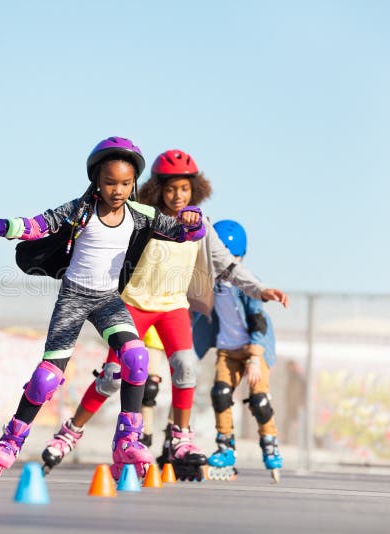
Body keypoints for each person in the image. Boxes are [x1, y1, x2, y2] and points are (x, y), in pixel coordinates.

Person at [40, 149, 288, 481]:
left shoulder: (202, 226)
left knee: (186, 366)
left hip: (173, 309)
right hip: (134, 305)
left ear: (195, 190)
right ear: (158, 189)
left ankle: (180, 437)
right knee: (113, 376)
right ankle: (71, 431)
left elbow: (227, 264)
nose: (177, 196)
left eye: (184, 189)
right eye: (170, 189)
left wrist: (259, 289)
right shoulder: (142, 216)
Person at [0, 137, 206, 480]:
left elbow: (183, 233)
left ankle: (127, 438)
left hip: (108, 299)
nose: (118, 190)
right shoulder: (79, 211)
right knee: (47, 378)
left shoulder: (139, 214)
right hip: (74, 298)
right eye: (110, 183)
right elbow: (35, 225)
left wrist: (193, 221)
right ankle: (11, 440)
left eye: (126, 183)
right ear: (96, 179)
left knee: (136, 358)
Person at [192, 219, 283, 482]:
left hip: (255, 348)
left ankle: (270, 443)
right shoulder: (208, 282)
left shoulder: (247, 282)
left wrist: (255, 359)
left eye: (232, 258)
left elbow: (258, 320)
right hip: (228, 349)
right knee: (220, 393)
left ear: (240, 257)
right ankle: (225, 446)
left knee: (259, 399)